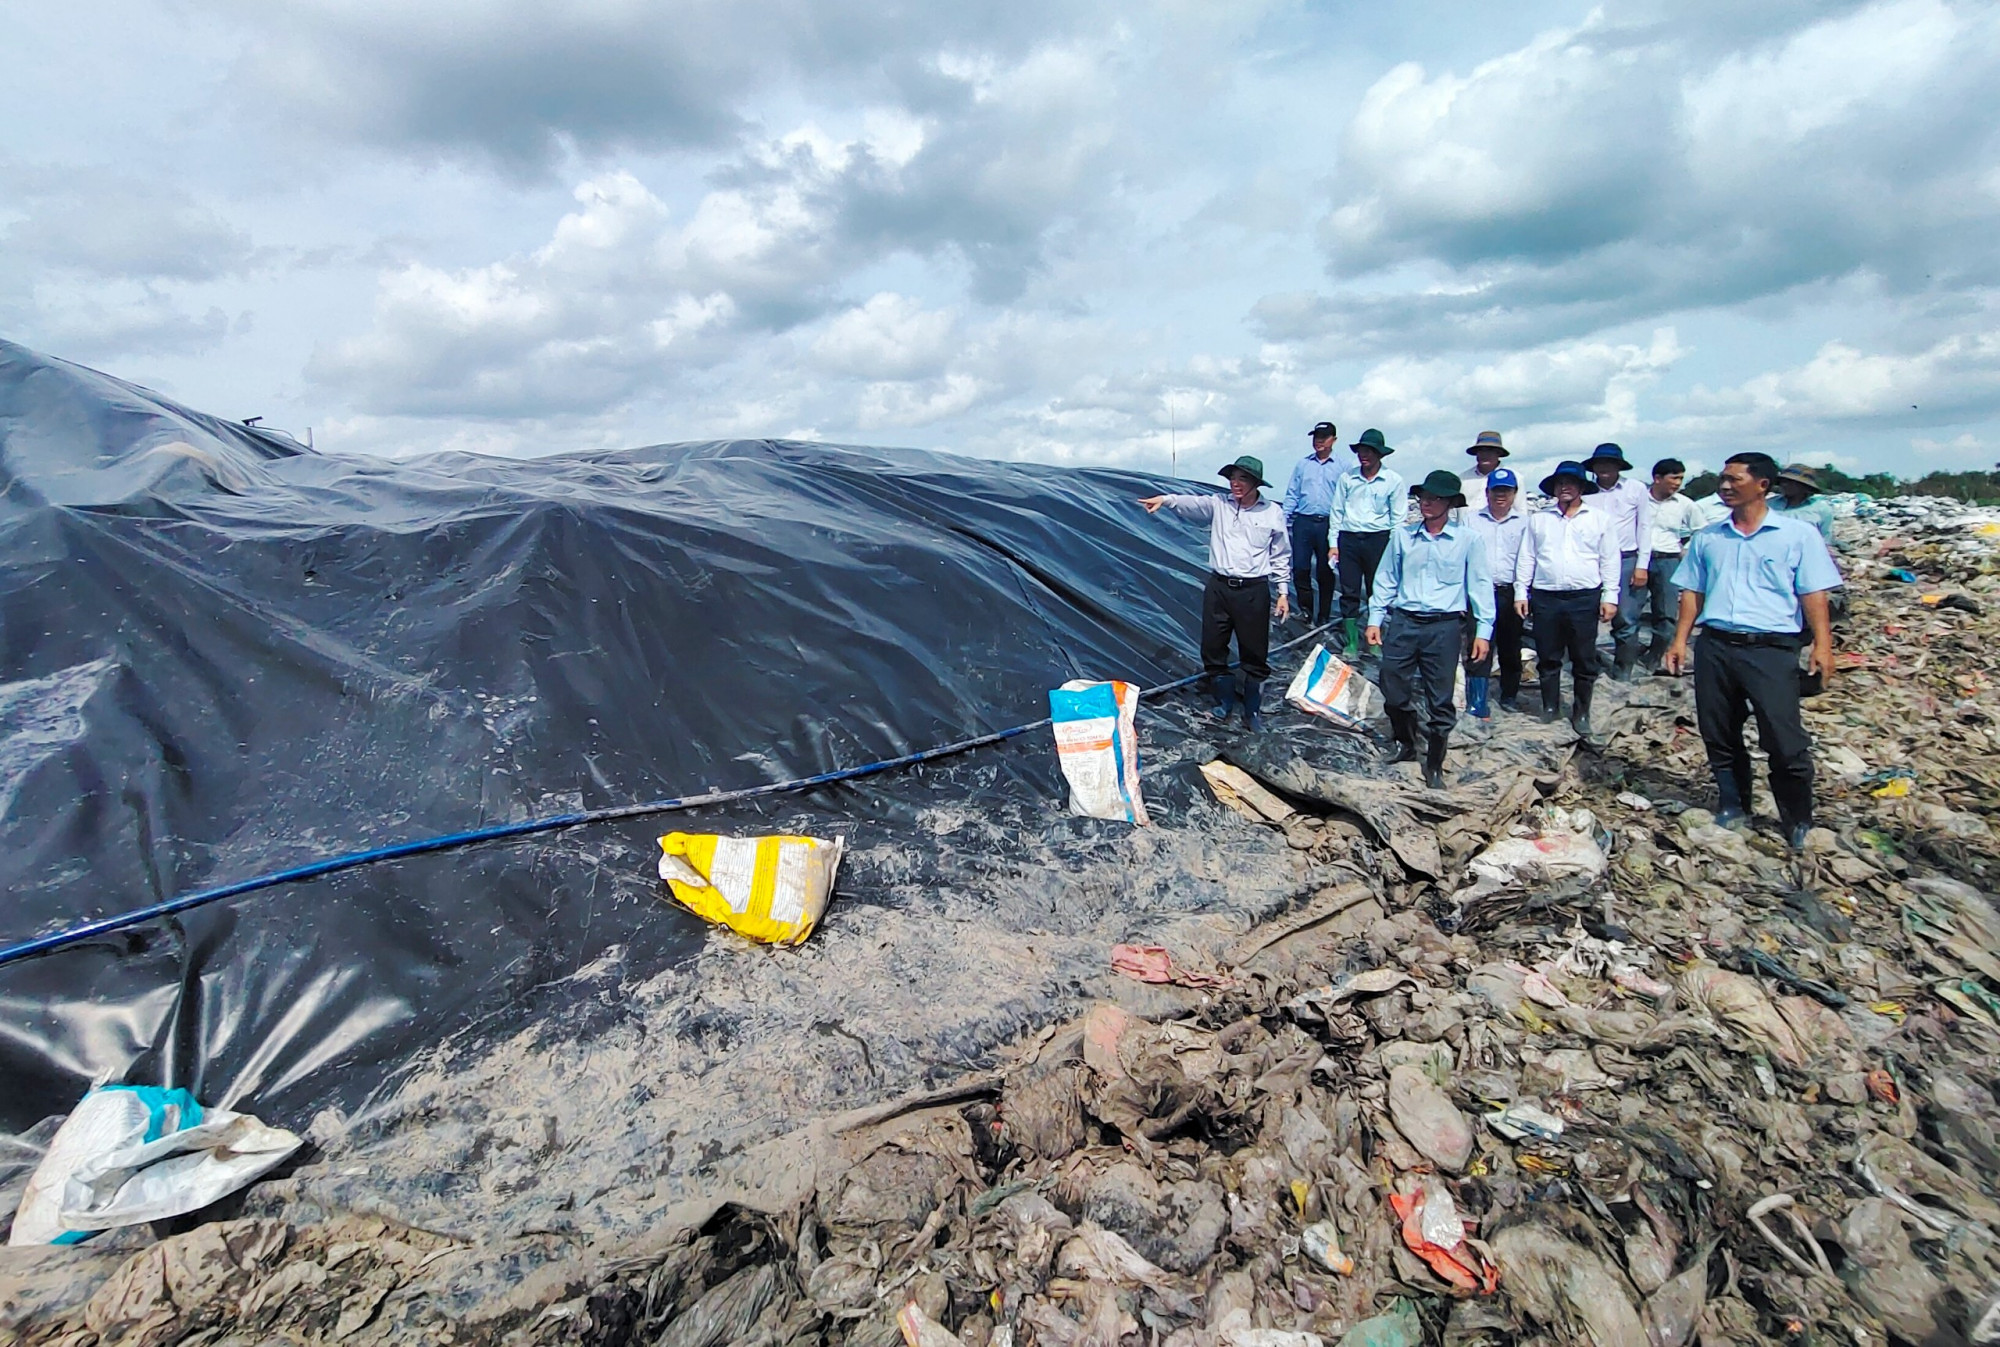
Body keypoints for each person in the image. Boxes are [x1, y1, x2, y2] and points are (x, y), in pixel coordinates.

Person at [1663, 452, 1841, 848]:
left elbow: (1813, 593)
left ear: (1762, 484)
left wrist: (1823, 646)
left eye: (1734, 479)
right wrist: (1679, 641)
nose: (1725, 487)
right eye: (1722, 480)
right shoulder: (1709, 537)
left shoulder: (1796, 535)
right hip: (1716, 647)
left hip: (1771, 649)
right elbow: (1692, 591)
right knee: (1719, 732)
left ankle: (1797, 818)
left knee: (1782, 738)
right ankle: (1734, 805)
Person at [1140, 456, 1292, 730]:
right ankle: (1224, 704)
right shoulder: (1219, 505)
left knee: (1254, 652)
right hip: (1220, 587)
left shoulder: (1271, 513)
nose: (1235, 483)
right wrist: (1165, 500)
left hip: (1253, 590)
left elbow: (1281, 554)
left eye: (1243, 479)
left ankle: (1252, 713)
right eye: (1233, 478)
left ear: (1256, 483)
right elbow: (1192, 503)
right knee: (1212, 647)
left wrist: (1283, 592)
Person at [1366, 471, 1494, 789]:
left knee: (1441, 698)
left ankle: (1434, 761)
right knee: (1393, 685)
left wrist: (1484, 631)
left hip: (1444, 626)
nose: (1426, 503)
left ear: (1450, 504)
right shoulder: (1403, 536)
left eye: (1434, 498)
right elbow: (1386, 579)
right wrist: (1374, 618)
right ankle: (1405, 742)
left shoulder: (1468, 541)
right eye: (1423, 497)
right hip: (1405, 621)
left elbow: (1480, 585)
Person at [1514, 460, 1619, 741]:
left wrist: (1610, 596)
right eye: (1560, 483)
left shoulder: (1598, 519)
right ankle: (1550, 706)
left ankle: (1581, 711)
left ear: (1581, 487)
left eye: (1570, 483)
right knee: (1548, 656)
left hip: (1584, 597)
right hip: (1546, 596)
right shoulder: (1539, 520)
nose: (1565, 488)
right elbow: (1527, 557)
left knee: (1584, 658)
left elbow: (1610, 559)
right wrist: (1521, 592)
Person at [1327, 428, 1405, 657]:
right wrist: (1334, 543)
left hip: (1378, 539)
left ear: (1379, 454)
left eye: (1369, 451)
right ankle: (1351, 641)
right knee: (1349, 590)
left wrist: (1394, 548)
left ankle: (1375, 638)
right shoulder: (1347, 478)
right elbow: (1337, 511)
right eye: (1361, 451)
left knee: (1377, 589)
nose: (1364, 455)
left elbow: (1398, 518)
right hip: (1349, 538)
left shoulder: (1393, 481)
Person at [1583, 444, 1655, 680]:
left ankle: (1623, 671)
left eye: (1610, 464)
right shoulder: (1585, 491)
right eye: (1600, 464)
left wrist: (1642, 564)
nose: (1604, 468)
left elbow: (1644, 526)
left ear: (1618, 466)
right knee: (1584, 616)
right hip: (1590, 560)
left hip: (1626, 558)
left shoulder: (1635, 489)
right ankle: (1585, 667)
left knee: (1626, 617)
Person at [1465, 467, 1528, 712]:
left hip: (1510, 592)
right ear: (1487, 492)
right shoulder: (1471, 520)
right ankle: (1477, 700)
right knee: (1478, 645)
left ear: (1514, 493)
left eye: (1506, 490)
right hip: (1479, 591)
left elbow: (1527, 559)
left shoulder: (1524, 523)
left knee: (1511, 646)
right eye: (1496, 490)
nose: (1500, 495)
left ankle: (1509, 695)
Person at [1640, 458, 1706, 672]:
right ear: (1657, 478)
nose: (1677, 483)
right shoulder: (1639, 500)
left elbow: (1701, 530)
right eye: (1674, 477)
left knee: (1666, 614)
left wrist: (1688, 551)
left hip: (1668, 559)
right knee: (1627, 613)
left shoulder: (1685, 504)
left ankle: (1654, 656)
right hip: (1638, 559)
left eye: (1681, 478)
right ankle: (1626, 661)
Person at [1282, 422, 1343, 626]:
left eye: (1323, 437)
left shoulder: (1343, 466)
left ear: (1333, 439)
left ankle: (1324, 614)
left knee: (1326, 570)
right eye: (1316, 436)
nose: (1318, 441)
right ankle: (1305, 610)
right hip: (1304, 521)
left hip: (1328, 523)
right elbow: (1292, 493)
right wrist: (1283, 519)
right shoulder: (1303, 464)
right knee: (1300, 567)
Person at [1769, 465, 1836, 545]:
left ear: (1804, 486)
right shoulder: (1768, 504)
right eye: (1783, 481)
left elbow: (1824, 540)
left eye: (1791, 482)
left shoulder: (1822, 510)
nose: (1785, 485)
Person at [1459, 430, 1509, 505]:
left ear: (1498, 453)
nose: (1485, 454)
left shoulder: (1513, 478)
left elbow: (1521, 511)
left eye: (1490, 450)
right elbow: (1453, 511)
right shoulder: (1463, 479)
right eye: (1481, 450)